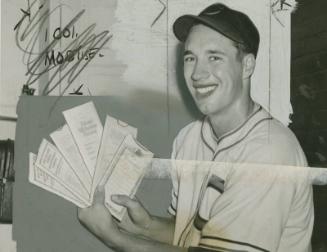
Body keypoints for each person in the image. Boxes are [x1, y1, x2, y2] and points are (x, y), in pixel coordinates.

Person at [78, 3, 313, 252]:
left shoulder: (270, 151)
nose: (198, 73)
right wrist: (144, 225)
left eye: (214, 57)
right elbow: (192, 234)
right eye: (191, 58)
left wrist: (112, 237)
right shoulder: (188, 139)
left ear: (247, 66)